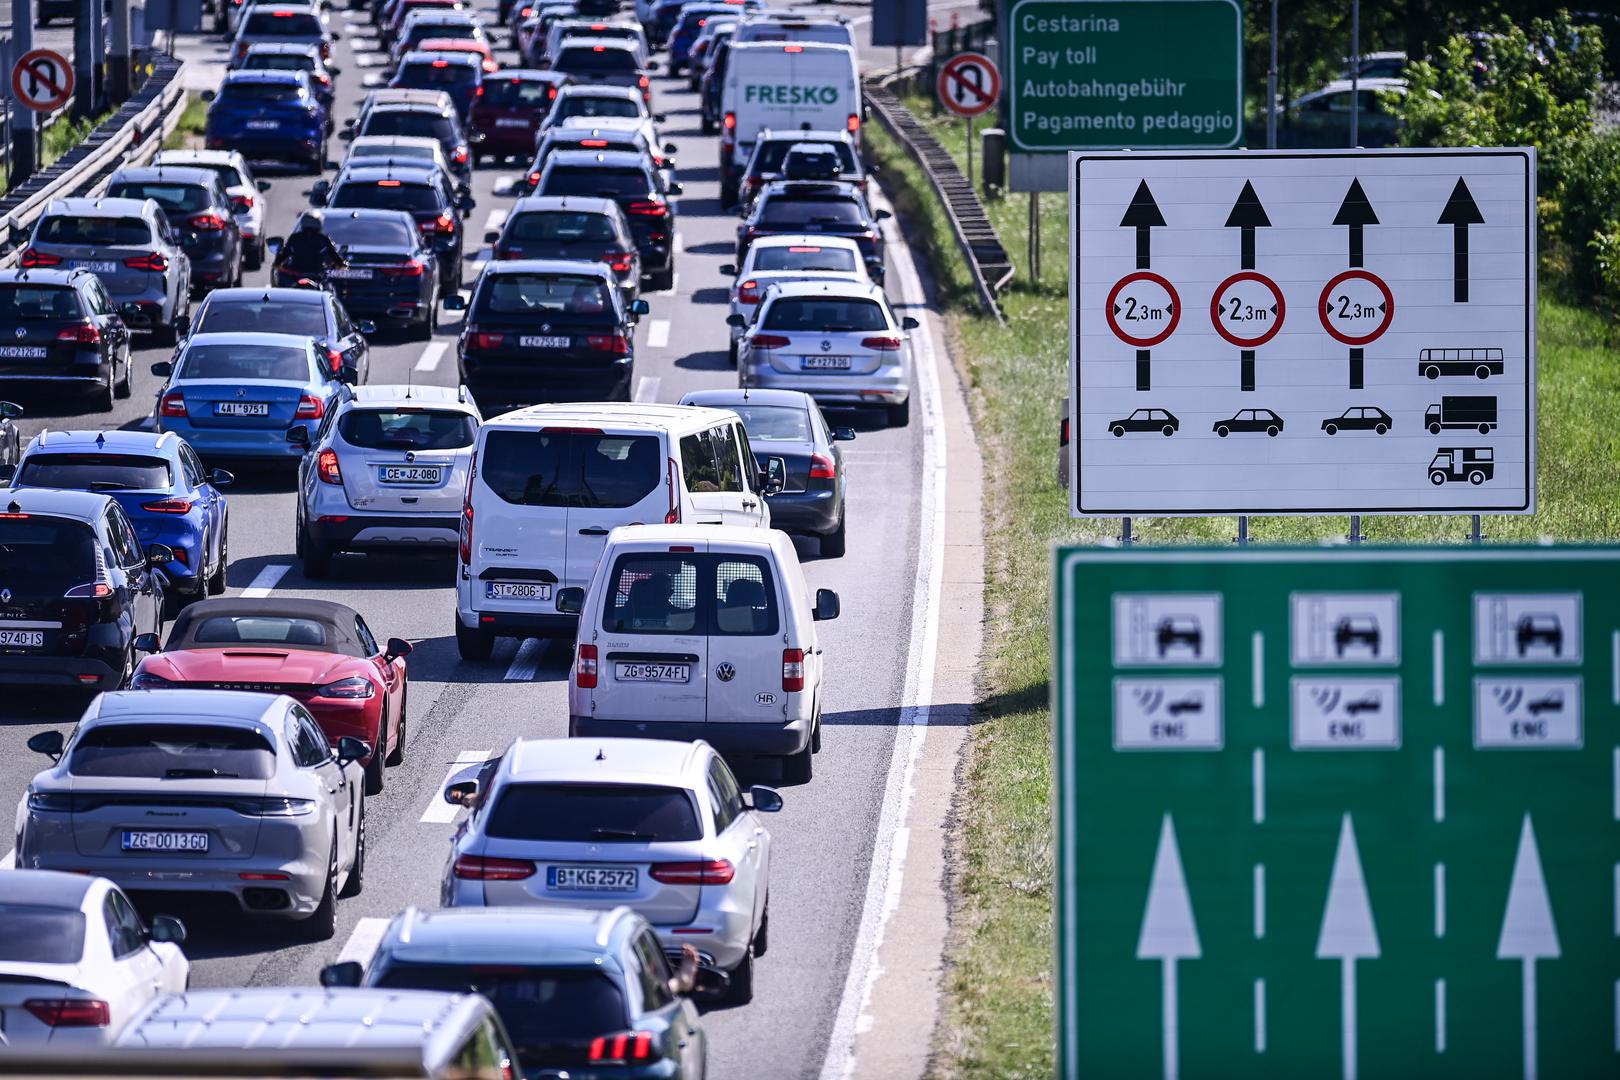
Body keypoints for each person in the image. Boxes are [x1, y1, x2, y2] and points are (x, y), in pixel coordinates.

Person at [276, 211, 346, 282]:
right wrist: (340, 263)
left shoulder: (294, 238)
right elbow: (333, 254)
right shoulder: (322, 238)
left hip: (297, 274)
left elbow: (284, 253)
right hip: (315, 274)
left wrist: (277, 262)